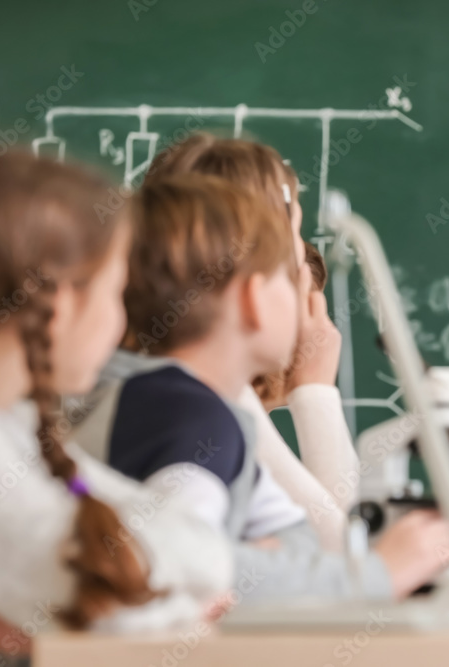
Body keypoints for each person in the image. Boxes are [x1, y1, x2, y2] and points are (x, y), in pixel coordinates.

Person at [0, 151, 233, 667]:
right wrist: (179, 608)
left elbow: (207, 555)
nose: (122, 322)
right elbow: (95, 598)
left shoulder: (7, 421)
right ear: (61, 303)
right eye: (116, 293)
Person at [72, 174, 449, 602]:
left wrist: (257, 564)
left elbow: (307, 543)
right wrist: (380, 574)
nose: (312, 313)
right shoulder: (190, 416)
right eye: (293, 285)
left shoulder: (205, 411)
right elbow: (180, 572)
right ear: (254, 298)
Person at [148, 135, 358, 552]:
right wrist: (316, 391)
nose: (304, 264)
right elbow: (346, 552)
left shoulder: (191, 386)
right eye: (294, 236)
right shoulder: (208, 406)